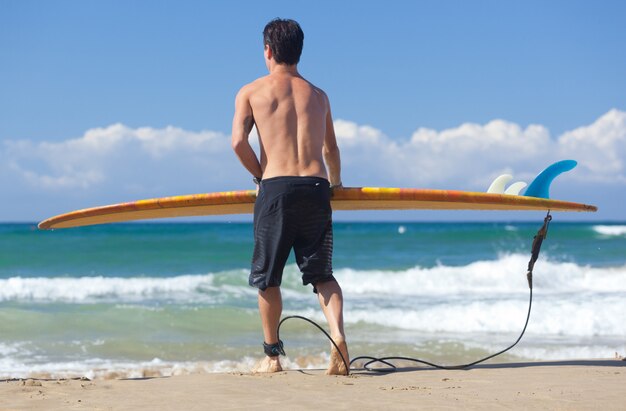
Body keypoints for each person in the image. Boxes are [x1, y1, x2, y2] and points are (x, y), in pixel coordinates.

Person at [231, 18, 348, 375]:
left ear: (267, 50)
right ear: (299, 51)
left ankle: (271, 357)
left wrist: (259, 175)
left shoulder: (251, 92)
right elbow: (331, 149)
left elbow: (238, 142)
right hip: (316, 187)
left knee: (267, 278)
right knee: (322, 274)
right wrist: (336, 185)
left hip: (276, 188)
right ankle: (339, 338)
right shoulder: (318, 94)